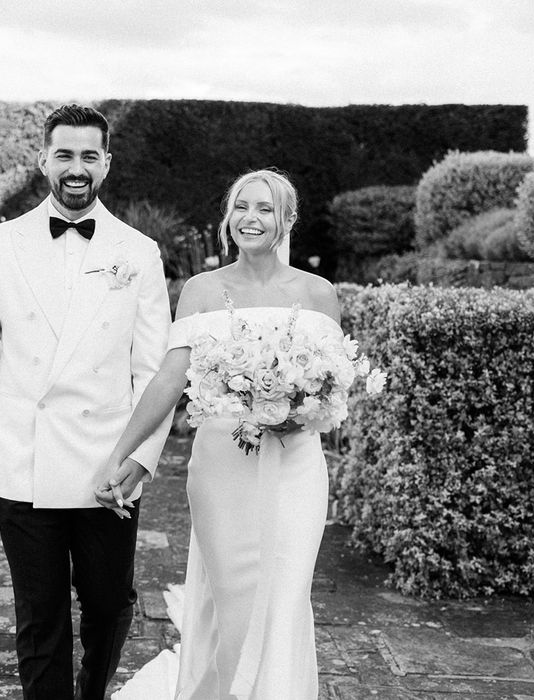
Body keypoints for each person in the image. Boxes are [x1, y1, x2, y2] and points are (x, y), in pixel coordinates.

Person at [0, 104, 173, 700]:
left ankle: (93, 690)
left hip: (108, 462)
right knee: (39, 614)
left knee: (109, 605)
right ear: (44, 159)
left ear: (106, 163)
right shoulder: (1, 244)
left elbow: (156, 373)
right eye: (65, 154)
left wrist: (141, 459)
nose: (77, 168)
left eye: (89, 155)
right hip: (23, 459)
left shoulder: (140, 252)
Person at [97, 169, 340, 699]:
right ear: (229, 216)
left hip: (296, 462)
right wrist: (121, 453)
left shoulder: (319, 294)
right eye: (242, 208)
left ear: (288, 220)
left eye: (266, 209)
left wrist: (298, 412)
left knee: (286, 593)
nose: (251, 219)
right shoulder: (202, 291)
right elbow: (169, 378)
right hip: (223, 465)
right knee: (234, 596)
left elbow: (334, 387)